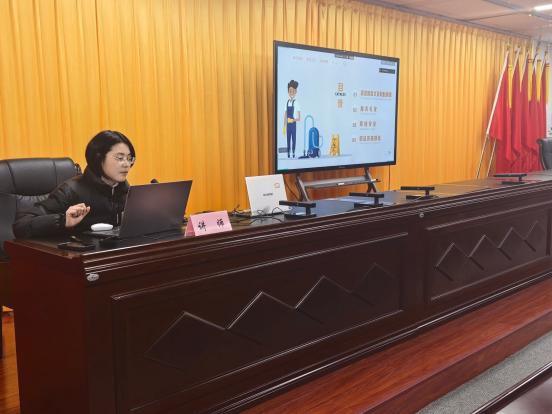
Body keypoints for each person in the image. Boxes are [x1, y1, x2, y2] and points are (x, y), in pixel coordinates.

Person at [13, 130, 136, 238]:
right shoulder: (70, 190)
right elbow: (21, 225)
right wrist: (63, 221)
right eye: (120, 158)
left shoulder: (125, 190)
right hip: (78, 253)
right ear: (98, 158)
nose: (126, 164)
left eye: (129, 158)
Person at [283, 80, 301, 158]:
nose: (291, 93)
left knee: (293, 139)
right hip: (288, 125)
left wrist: (293, 120)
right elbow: (285, 115)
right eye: (290, 91)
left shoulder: (296, 103)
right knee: (288, 139)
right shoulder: (287, 102)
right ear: (288, 92)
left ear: (295, 91)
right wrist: (284, 126)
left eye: (293, 91)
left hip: (293, 124)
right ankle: (288, 153)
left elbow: (299, 118)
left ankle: (293, 153)